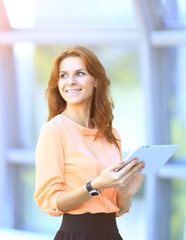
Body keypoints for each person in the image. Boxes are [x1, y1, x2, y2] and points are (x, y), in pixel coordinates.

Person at [34, 46, 145, 240]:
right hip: (76, 235)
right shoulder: (54, 131)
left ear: (95, 81)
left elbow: (119, 209)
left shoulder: (112, 135)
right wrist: (96, 185)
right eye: (64, 75)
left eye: (80, 73)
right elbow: (49, 201)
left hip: (112, 234)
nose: (71, 81)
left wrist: (126, 193)